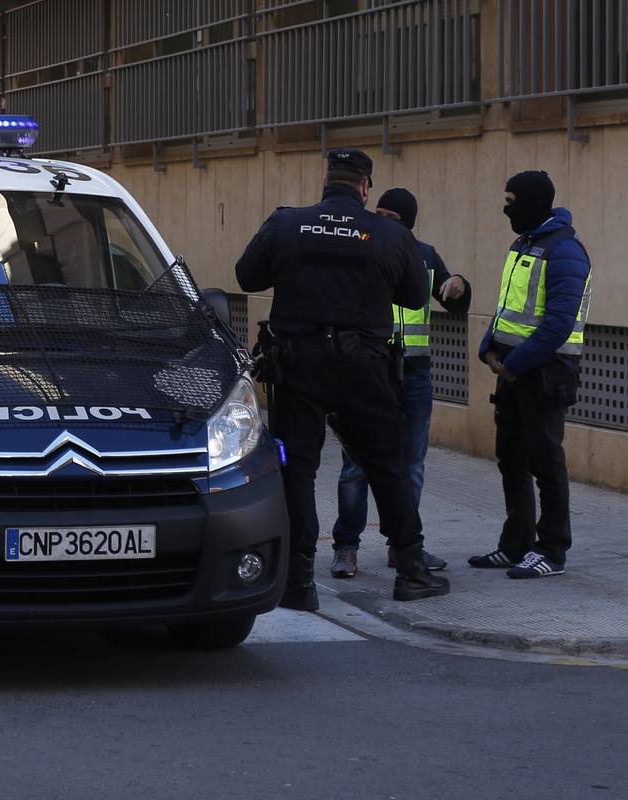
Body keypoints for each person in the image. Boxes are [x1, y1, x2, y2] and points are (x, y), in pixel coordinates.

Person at [235, 148, 448, 610]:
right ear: (366, 187)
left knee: (299, 470)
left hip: (298, 367)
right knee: (388, 466)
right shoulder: (389, 234)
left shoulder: (287, 223)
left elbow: (247, 276)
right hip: (365, 369)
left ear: (326, 180)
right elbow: (415, 296)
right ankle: (410, 568)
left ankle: (298, 581)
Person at [330, 188, 472, 578]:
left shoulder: (424, 255)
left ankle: (404, 546)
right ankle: (346, 547)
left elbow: (452, 296)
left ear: (407, 223)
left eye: (390, 217)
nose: (380, 222)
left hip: (414, 373)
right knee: (356, 467)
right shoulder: (357, 250)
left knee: (411, 465)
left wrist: (458, 283)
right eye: (378, 213)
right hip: (369, 371)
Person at [469, 171, 591, 579]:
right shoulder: (524, 243)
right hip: (512, 371)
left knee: (546, 461)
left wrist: (514, 364)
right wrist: (487, 345)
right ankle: (515, 544)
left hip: (543, 373)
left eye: (510, 200)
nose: (506, 208)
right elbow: (506, 307)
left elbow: (558, 323)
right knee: (512, 460)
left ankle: (552, 550)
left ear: (533, 202)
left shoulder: (566, 251)